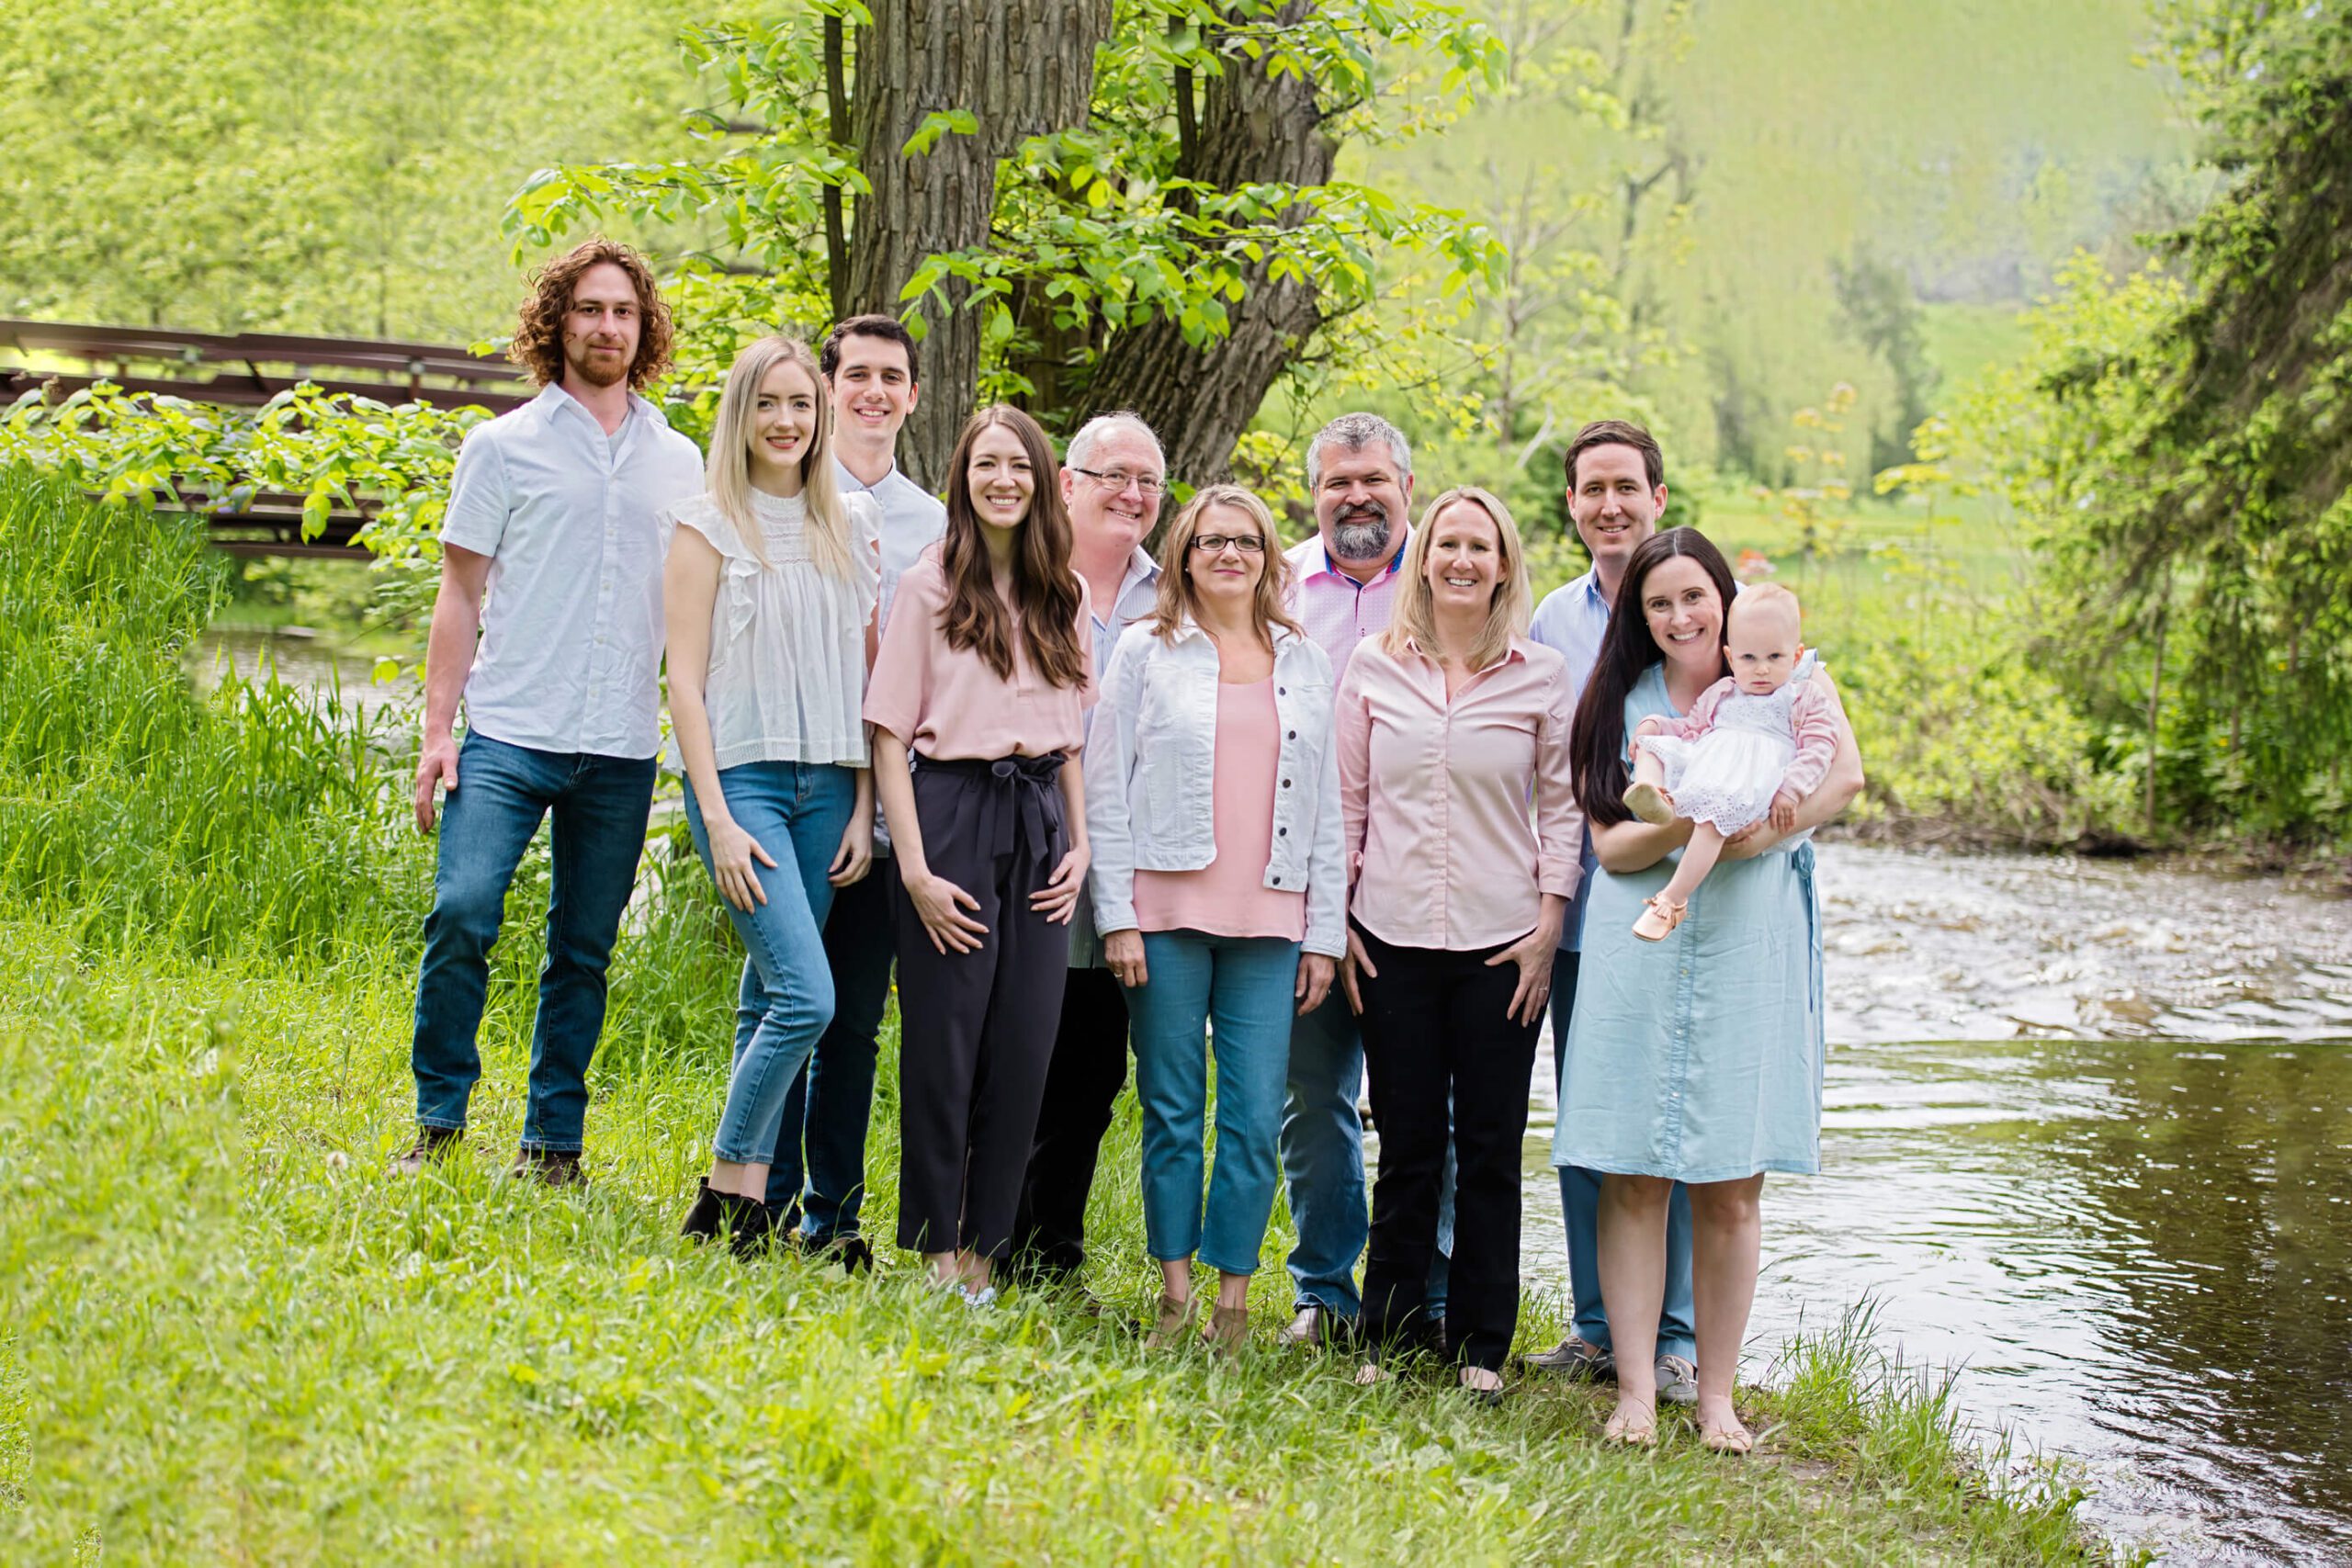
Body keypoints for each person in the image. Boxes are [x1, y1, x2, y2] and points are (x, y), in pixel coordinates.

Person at [398, 239, 702, 1184]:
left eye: (623, 311)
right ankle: (439, 1120)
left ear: (643, 328)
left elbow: (702, 607)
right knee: (463, 911)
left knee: (584, 948)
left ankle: (552, 1145)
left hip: (617, 746)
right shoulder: (502, 446)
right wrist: (437, 733)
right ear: (557, 323)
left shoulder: (681, 461)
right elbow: (459, 595)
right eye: (589, 309)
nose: (607, 326)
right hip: (506, 732)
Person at [1555, 527, 1862, 1451]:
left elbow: (1842, 777)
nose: (1680, 616)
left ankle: (1716, 1396)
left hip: (1748, 941)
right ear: (1639, 618)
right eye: (1659, 604)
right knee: (1634, 1174)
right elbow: (1610, 846)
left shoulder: (1794, 685)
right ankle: (1637, 1393)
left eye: (1695, 597)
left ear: (1726, 605)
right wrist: (1694, 819)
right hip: (1637, 940)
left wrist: (1751, 832)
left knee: (1732, 1183)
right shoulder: (1626, 703)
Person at [1335, 488, 1580, 1399]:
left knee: (1487, 1144)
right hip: (1390, 934)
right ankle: (1388, 1334)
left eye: (1481, 545)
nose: (1462, 559)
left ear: (1504, 563)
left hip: (1501, 942)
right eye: (1447, 542)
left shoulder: (1539, 675)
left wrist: (1549, 923)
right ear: (1423, 557)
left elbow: (1558, 807)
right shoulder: (1371, 666)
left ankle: (1481, 1343)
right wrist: (1340, 921)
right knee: (1403, 1144)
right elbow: (1348, 804)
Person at [1086, 485, 1343, 1350]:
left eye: (1245, 541)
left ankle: (1235, 1300)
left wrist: (1325, 936)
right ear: (1185, 555)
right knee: (1170, 1109)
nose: (1228, 554)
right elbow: (1104, 787)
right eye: (1209, 540)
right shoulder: (1144, 650)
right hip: (1165, 912)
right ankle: (1175, 1291)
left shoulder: (1304, 660)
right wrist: (1116, 915)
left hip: (1271, 923)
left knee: (1252, 1111)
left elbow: (1330, 812)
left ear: (1271, 557)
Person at [864, 404, 1093, 1304]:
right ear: (963, 478)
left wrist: (1079, 847)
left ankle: (985, 1253)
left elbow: (1072, 736)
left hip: (1039, 821)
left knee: (1024, 1045)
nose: (1003, 480)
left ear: (1041, 482)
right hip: (951, 812)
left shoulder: (1059, 593)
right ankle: (936, 1249)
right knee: (944, 1043)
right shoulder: (926, 587)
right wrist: (914, 869)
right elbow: (888, 736)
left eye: (1019, 466)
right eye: (986, 465)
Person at [662, 335, 879, 1252]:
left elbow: (873, 674)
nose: (786, 421)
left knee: (767, 999)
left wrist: (867, 806)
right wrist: (712, 815)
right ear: (739, 415)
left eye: (800, 404)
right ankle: (722, 1185)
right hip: (744, 782)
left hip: (830, 783)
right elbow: (682, 681)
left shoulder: (850, 523)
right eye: (767, 405)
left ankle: (741, 1211)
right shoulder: (706, 521)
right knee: (806, 998)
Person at [762, 314, 947, 1270]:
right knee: (787, 997)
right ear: (829, 389)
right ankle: (760, 1188)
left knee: (856, 1020)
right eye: (858, 376)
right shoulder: (780, 497)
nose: (874, 392)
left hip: (889, 808)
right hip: (794, 788)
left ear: (913, 395)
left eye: (893, 378)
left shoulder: (937, 525)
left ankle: (831, 1213)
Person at [1521, 420, 1697, 1394]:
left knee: (1666, 1129)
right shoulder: (1552, 618)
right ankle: (1596, 1328)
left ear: (1657, 497)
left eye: (1625, 486)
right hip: (1583, 917)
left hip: (1675, 914)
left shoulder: (1706, 605)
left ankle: (1673, 1343)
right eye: (1591, 490)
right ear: (1573, 506)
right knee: (1587, 1121)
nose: (1609, 505)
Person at [1274, 412, 1453, 1348]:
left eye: (1374, 481)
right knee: (1314, 1097)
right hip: (1300, 885)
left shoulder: (1450, 576)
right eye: (1339, 483)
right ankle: (1326, 1293)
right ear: (1315, 495)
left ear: (1406, 489)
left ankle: (1428, 1294)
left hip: (1423, 889)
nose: (1357, 497)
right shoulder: (1277, 582)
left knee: (1431, 1104)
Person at [1008, 412, 1166, 1290]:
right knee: (1012, 1053)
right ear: (1067, 482)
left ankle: (1052, 1254)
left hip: (1126, 871)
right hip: (1021, 847)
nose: (1132, 494)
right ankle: (984, 1235)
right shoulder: (1018, 574)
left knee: (1090, 1069)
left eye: (1147, 480)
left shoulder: (1171, 592)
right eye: (1114, 475)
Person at [1623, 582, 1838, 940]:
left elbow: (1819, 749)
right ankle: (1652, 794)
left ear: (1797, 656)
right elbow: (1692, 730)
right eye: (1749, 658)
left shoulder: (1801, 698)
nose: (1761, 670)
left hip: (1752, 785)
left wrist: (1791, 791)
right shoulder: (1723, 692)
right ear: (1730, 656)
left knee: (1712, 817)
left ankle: (1673, 900)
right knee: (1653, 743)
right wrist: (1658, 726)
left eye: (1775, 658)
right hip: (1710, 766)